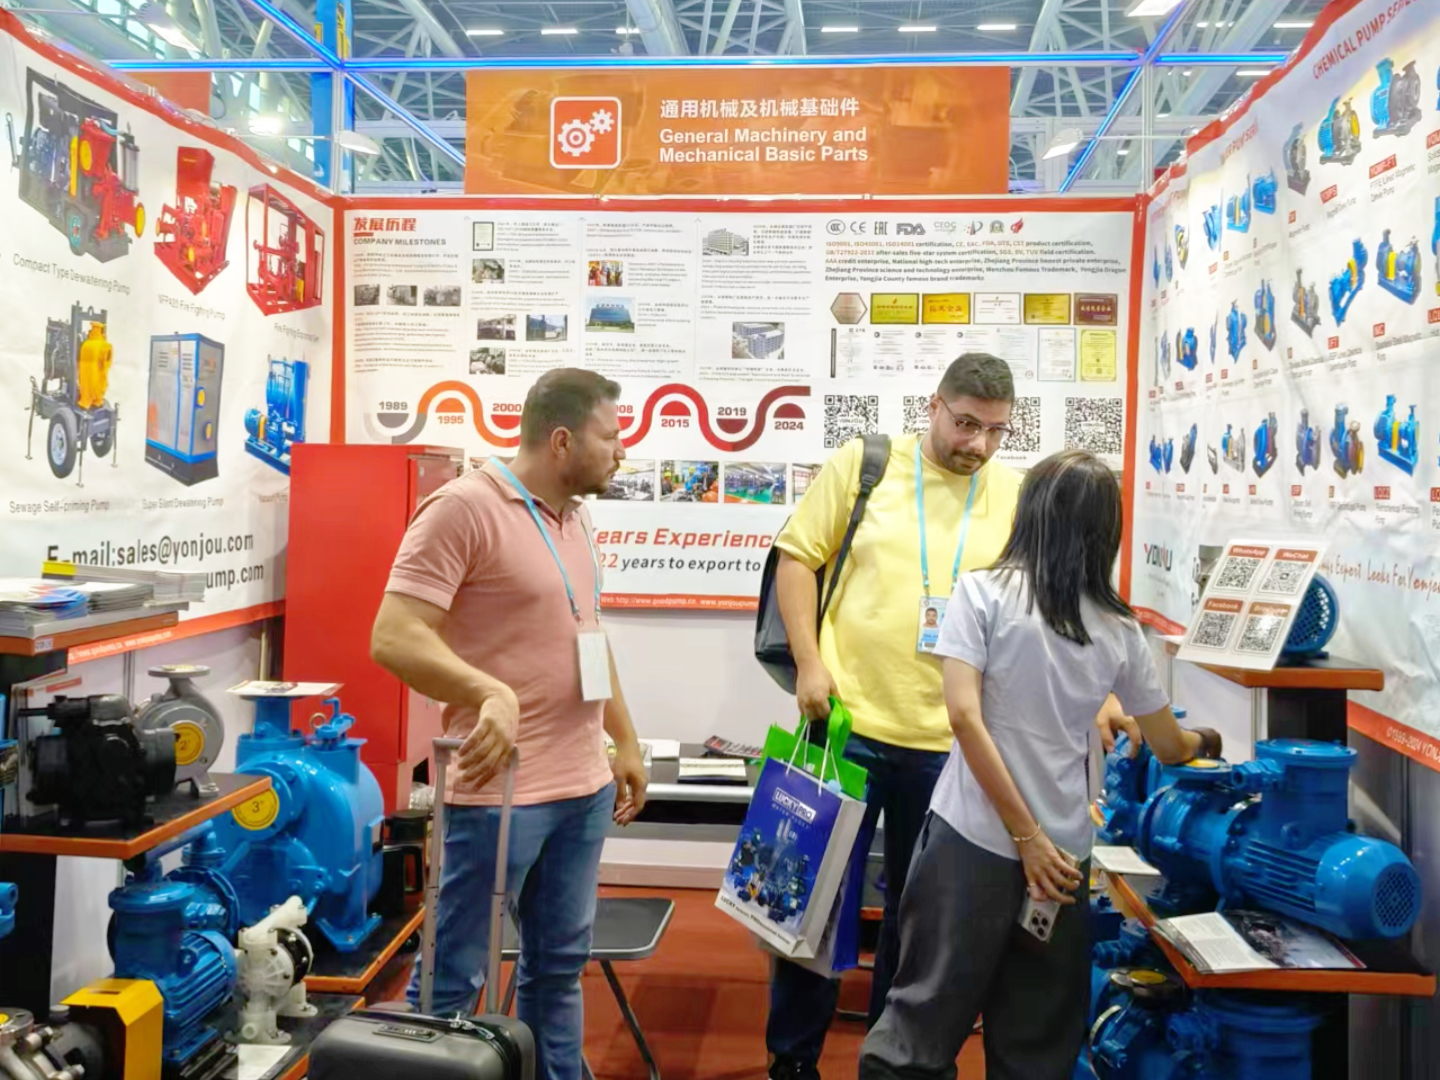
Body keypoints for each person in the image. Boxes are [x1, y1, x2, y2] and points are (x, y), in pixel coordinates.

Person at [858, 450, 1222, 1080]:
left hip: (971, 841)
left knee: (920, 1029)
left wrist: (1022, 837)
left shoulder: (981, 594)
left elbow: (965, 718)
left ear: (1029, 514)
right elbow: (1170, 746)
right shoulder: (1118, 628)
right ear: (1105, 530)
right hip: (1063, 858)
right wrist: (1204, 740)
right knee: (1037, 1044)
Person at [369, 367, 649, 1080]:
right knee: (454, 977)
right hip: (501, 792)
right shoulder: (463, 508)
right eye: (610, 436)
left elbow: (589, 636)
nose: (623, 451)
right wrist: (485, 689)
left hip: (582, 787)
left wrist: (624, 737)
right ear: (561, 441)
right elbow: (394, 635)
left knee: (558, 967)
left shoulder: (575, 517)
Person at [764, 353, 1026, 1080]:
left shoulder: (1015, 493)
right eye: (965, 423)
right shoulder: (867, 465)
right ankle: (793, 1061)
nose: (977, 444)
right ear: (933, 406)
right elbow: (796, 558)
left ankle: (890, 1058)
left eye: (995, 431)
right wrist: (809, 662)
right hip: (844, 726)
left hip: (951, 742)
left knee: (920, 920)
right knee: (808, 900)